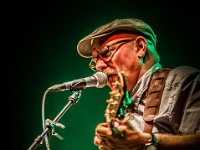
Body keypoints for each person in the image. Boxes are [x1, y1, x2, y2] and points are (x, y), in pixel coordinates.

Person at [76, 18, 200, 150]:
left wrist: (147, 141)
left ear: (140, 47)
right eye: (94, 63)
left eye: (107, 52)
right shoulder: (123, 109)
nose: (99, 66)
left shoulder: (182, 81)